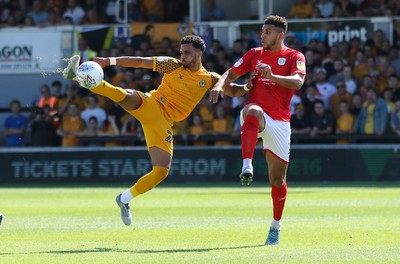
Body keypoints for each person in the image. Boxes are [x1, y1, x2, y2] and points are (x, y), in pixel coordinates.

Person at [62, 35, 244, 226]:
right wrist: (108, 61)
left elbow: (233, 89)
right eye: (181, 52)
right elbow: (141, 62)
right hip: (152, 103)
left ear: (199, 54)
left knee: (161, 171)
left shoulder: (209, 78)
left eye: (187, 53)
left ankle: (124, 199)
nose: (182, 56)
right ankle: (82, 78)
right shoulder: (172, 65)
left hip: (164, 122)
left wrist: (250, 86)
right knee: (125, 95)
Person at [209, 16, 306, 245]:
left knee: (277, 179)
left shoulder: (294, 56)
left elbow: (298, 82)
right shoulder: (254, 54)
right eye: (262, 31)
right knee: (252, 110)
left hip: (280, 121)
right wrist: (218, 84)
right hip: (258, 112)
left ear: (280, 35)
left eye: (267, 31)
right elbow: (230, 73)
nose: (262, 35)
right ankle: (247, 165)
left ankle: (275, 226)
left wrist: (272, 75)